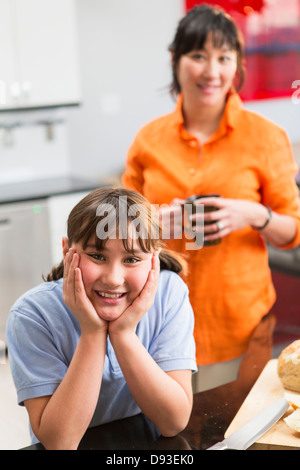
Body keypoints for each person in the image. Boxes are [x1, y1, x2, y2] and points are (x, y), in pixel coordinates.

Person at [123, 5, 300, 391]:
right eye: (198, 56)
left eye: (224, 58)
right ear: (176, 59)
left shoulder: (266, 137)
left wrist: (254, 214)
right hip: (156, 317)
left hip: (239, 322)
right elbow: (117, 226)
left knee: (232, 429)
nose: (212, 71)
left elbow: (293, 231)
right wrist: (150, 222)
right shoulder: (148, 140)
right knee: (167, 433)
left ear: (237, 64)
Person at [6, 187, 197, 450]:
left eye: (131, 259)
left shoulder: (169, 293)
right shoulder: (32, 315)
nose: (113, 278)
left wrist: (123, 334)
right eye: (97, 256)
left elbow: (173, 422)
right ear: (67, 252)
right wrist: (93, 332)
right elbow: (60, 443)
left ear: (153, 261)